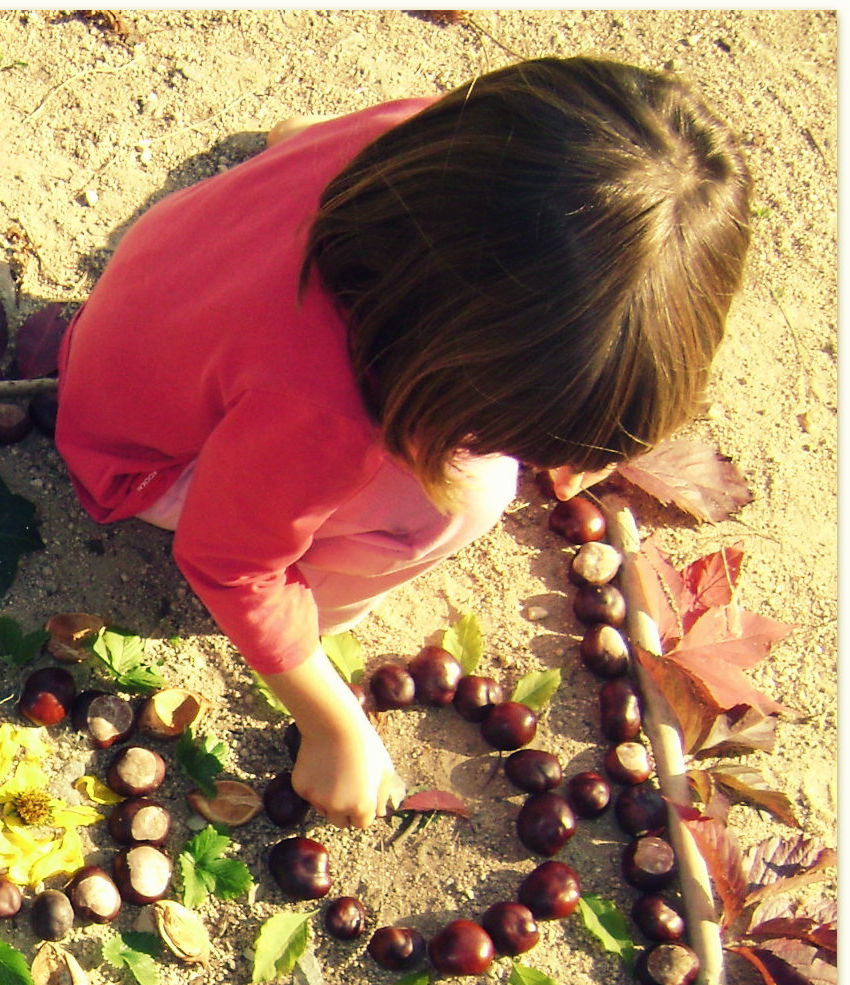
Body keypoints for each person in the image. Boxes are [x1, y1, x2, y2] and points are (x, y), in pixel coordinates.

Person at [54, 57, 752, 828]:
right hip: (136, 456)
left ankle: (299, 149)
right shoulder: (327, 410)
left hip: (184, 293)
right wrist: (332, 724)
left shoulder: (446, 155)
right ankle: (325, 600)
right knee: (465, 498)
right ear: (439, 352)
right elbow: (228, 562)